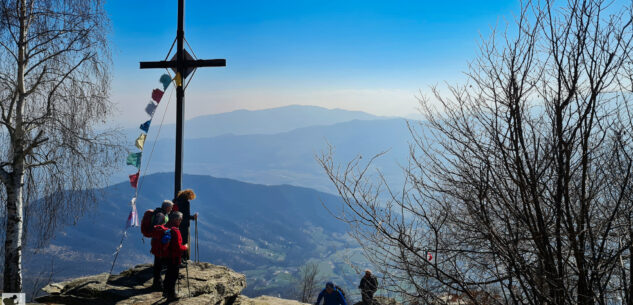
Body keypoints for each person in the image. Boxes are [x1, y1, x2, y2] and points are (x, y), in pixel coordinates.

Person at [163, 211, 188, 300]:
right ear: (176, 219)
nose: (181, 221)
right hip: (175, 256)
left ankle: (165, 291)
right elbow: (178, 247)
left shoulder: (166, 226)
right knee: (174, 275)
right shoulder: (175, 230)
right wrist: (185, 247)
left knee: (168, 273)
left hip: (167, 255)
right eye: (180, 219)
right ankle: (171, 294)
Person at [151, 200, 174, 290]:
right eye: (171, 207)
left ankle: (158, 282)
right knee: (158, 262)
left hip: (159, 241)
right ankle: (157, 283)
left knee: (159, 262)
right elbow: (157, 227)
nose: (171, 209)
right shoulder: (161, 215)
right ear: (167, 207)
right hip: (159, 242)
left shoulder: (161, 214)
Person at [172, 189, 198, 260]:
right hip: (184, 225)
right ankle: (183, 258)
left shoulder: (175, 201)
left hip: (175, 224)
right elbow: (186, 215)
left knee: (177, 241)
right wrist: (193, 217)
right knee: (184, 241)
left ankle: (176, 257)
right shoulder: (186, 202)